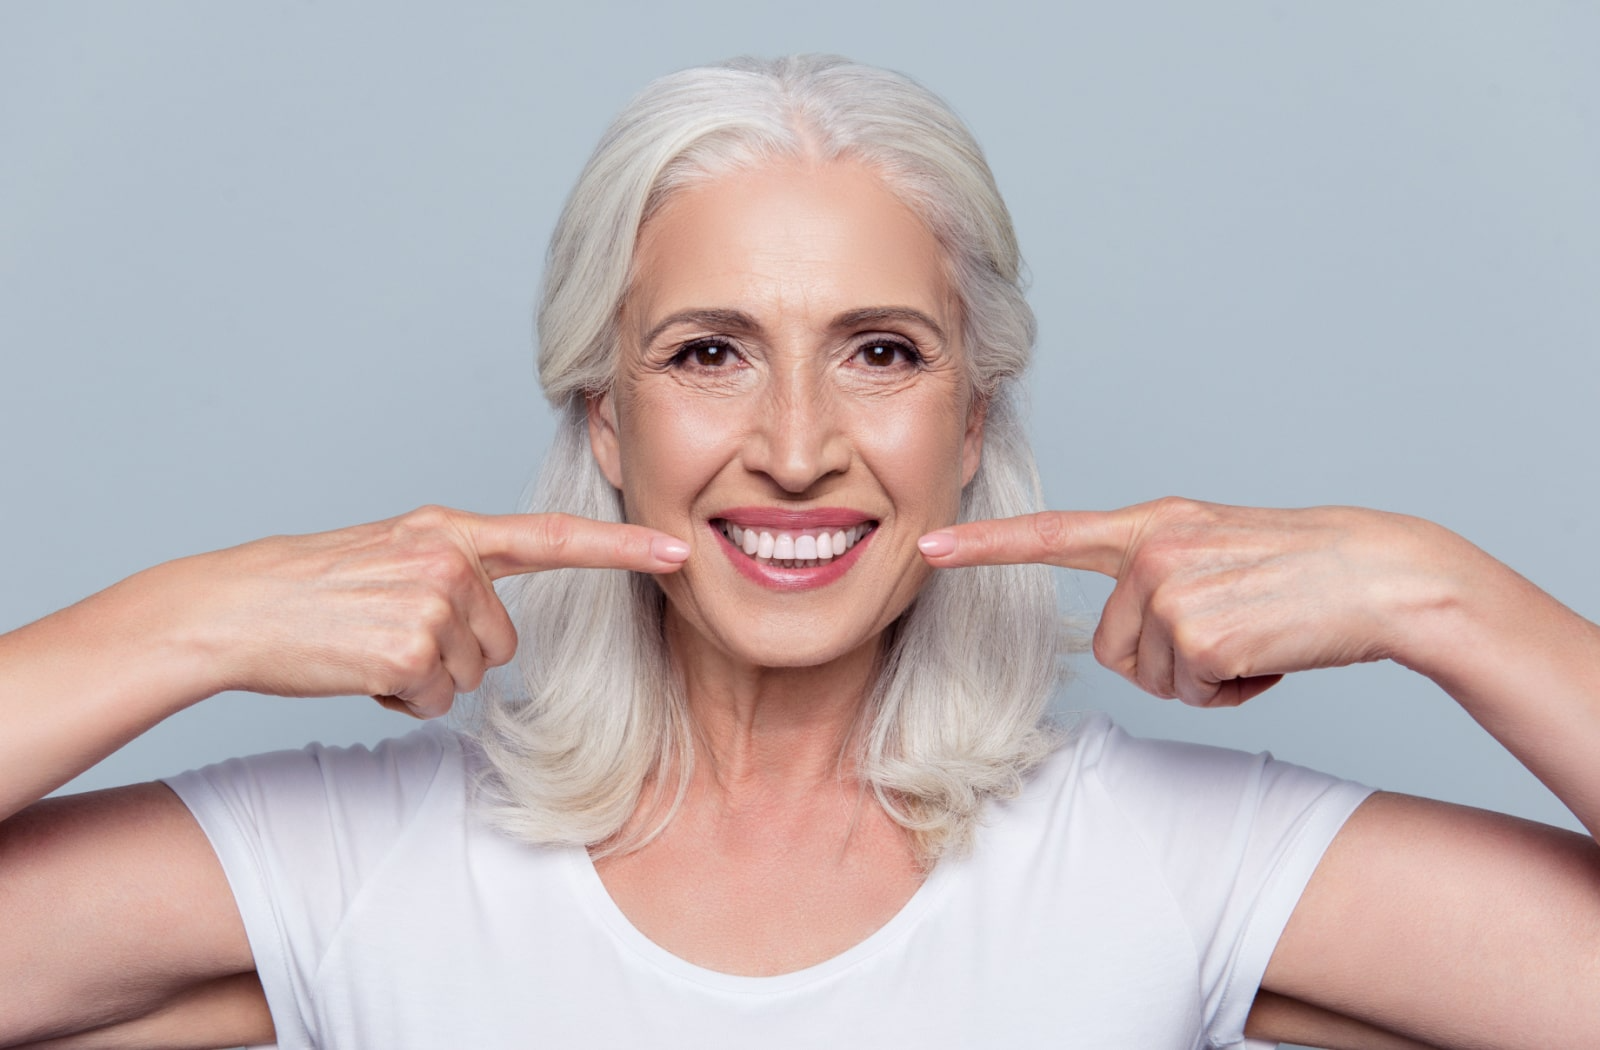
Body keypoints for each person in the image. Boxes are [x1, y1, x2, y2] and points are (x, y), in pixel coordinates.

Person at [2, 54, 1597, 1050]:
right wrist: (191, 619)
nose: (793, 441)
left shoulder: (1157, 861)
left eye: (882, 352)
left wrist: (1429, 591)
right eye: (707, 352)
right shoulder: (357, 869)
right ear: (603, 416)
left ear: (970, 420)